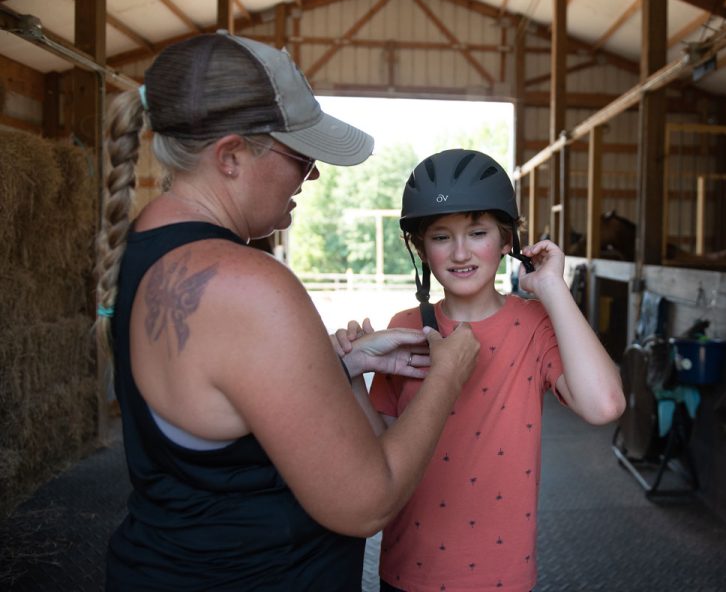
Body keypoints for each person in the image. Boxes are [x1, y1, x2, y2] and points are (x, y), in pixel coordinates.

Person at [93, 32, 480, 591]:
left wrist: (334, 365)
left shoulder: (143, 248)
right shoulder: (248, 285)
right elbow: (366, 504)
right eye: (301, 156)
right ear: (230, 156)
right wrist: (447, 376)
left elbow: (213, 398)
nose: (314, 174)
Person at [342, 149, 626, 592]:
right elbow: (380, 447)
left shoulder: (534, 324)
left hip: (502, 577)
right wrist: (354, 380)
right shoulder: (407, 328)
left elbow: (605, 405)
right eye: (441, 237)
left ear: (507, 240)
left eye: (477, 232)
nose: (460, 252)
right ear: (421, 248)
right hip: (407, 572)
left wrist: (552, 288)